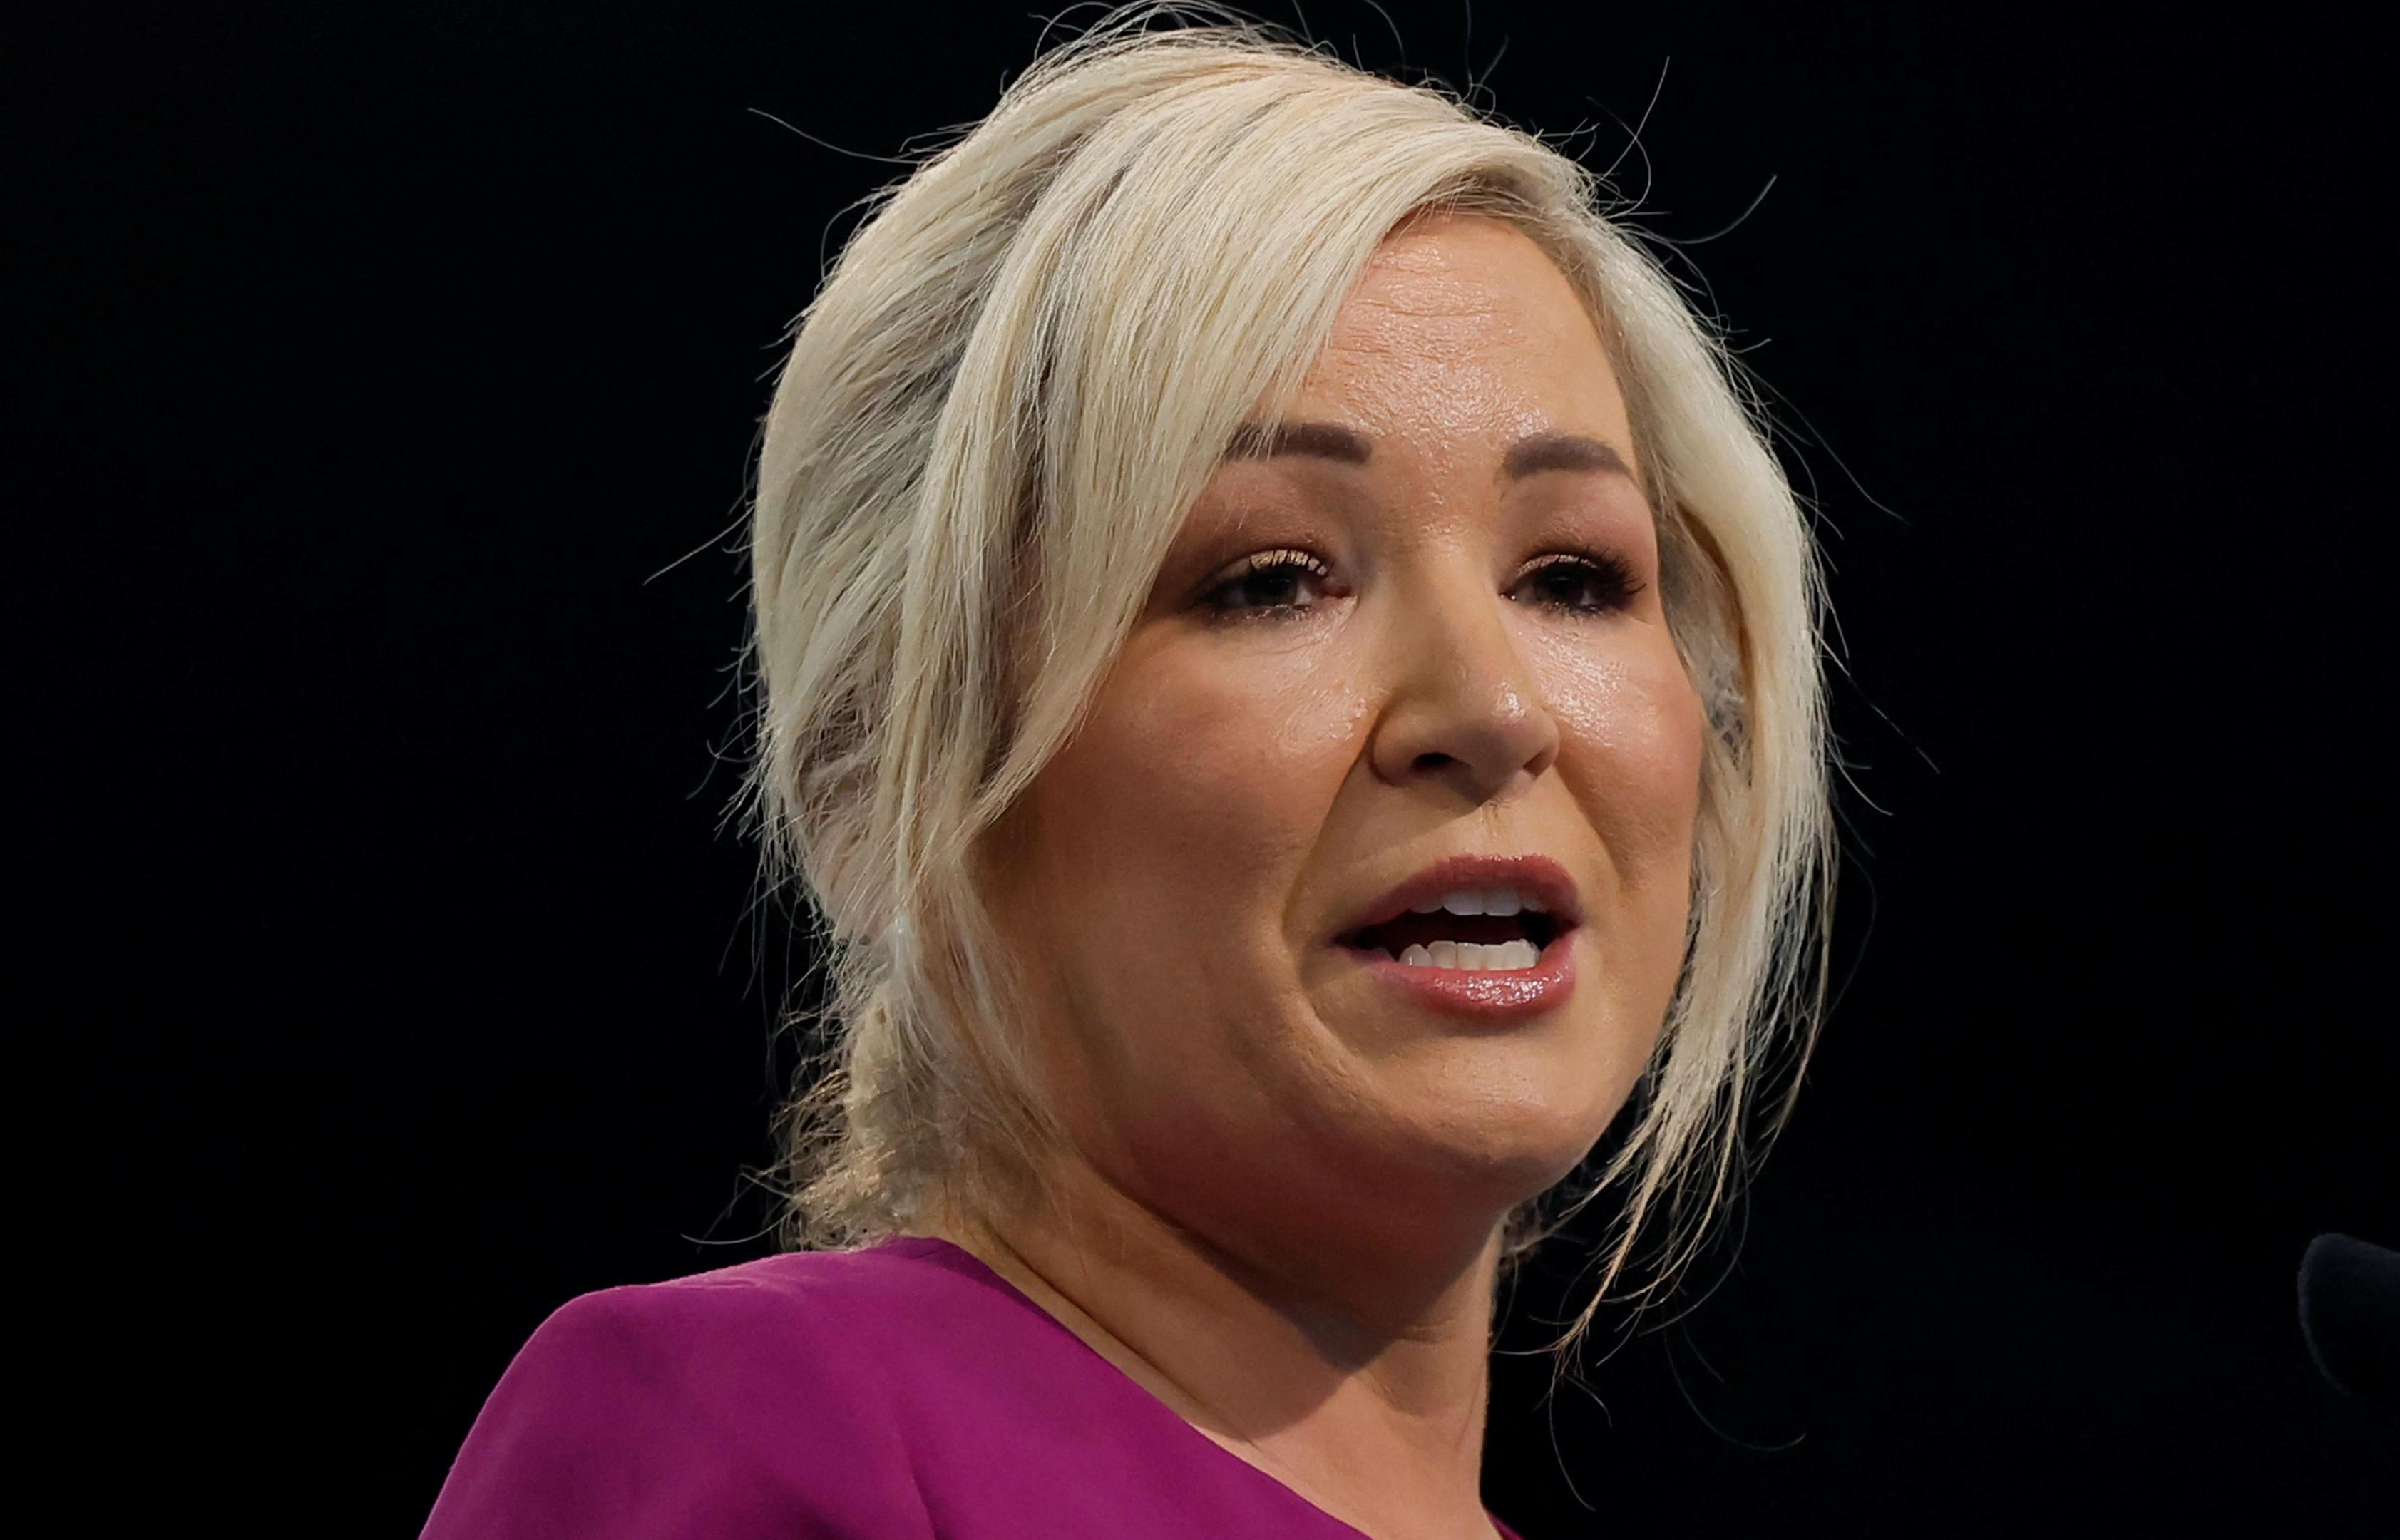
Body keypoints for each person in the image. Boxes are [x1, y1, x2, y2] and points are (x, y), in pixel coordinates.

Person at [422, 9, 1831, 1537]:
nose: (1492, 707)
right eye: (1272, 578)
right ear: (876, 776)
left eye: (1571, 576)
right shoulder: (762, 1429)